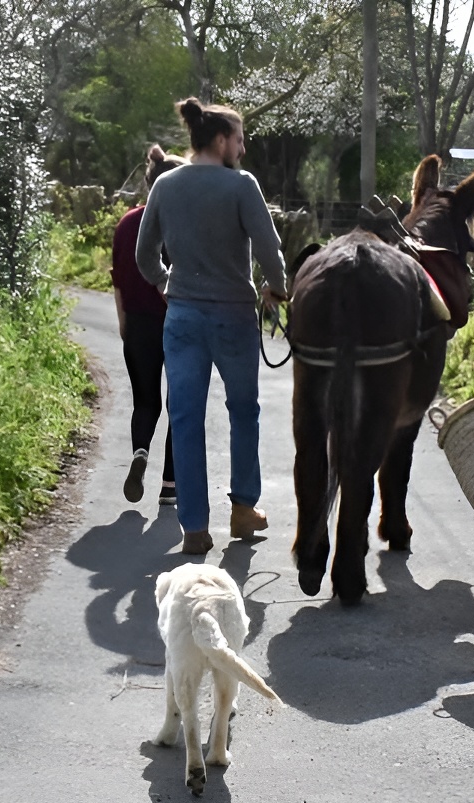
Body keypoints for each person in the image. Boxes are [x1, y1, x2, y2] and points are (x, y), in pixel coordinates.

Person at [135, 97, 287, 555]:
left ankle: (194, 528)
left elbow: (144, 255)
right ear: (221, 140)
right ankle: (243, 510)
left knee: (185, 418)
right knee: (243, 410)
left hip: (182, 316)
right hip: (234, 317)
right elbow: (269, 249)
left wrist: (166, 284)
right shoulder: (242, 185)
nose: (242, 149)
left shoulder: (165, 186)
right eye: (239, 140)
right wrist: (276, 288)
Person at [111, 145, 187, 507]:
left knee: (145, 402)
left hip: (137, 325)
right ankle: (170, 486)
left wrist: (124, 322)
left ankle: (141, 453)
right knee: (178, 404)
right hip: (176, 322)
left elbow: (119, 279)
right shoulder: (184, 223)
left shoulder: (127, 223)